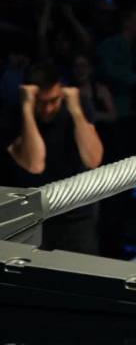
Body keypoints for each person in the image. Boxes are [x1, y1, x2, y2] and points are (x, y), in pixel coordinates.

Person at [4, 62, 103, 254]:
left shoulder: (78, 106)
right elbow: (35, 164)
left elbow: (93, 159)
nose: (48, 108)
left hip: (76, 213)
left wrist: (76, 111)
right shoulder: (14, 114)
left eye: (54, 100)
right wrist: (27, 109)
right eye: (41, 102)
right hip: (32, 216)